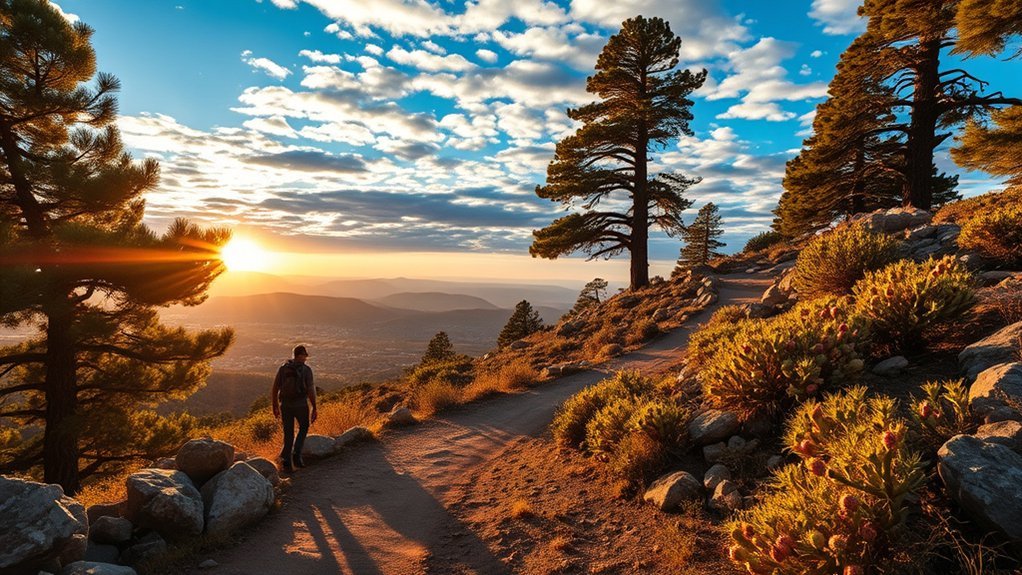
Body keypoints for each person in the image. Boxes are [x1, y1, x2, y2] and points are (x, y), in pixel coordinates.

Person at [271, 344, 317, 472]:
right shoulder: (306, 370)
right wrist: (314, 407)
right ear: (300, 355)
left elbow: (275, 388)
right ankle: (297, 453)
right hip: (301, 404)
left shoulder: (283, 368)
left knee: (288, 433)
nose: (306, 358)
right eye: (305, 355)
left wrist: (275, 405)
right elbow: (310, 390)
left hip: (285, 405)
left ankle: (286, 462)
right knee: (304, 427)